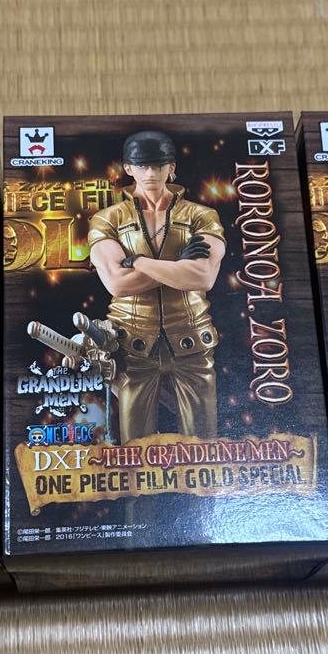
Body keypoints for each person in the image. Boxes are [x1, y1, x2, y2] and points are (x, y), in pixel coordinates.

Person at [87, 130, 226, 441]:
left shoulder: (201, 215)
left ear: (171, 167)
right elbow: (117, 283)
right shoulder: (107, 219)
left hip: (192, 339)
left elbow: (203, 277)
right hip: (131, 344)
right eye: (142, 166)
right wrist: (179, 265)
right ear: (128, 168)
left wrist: (138, 261)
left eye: (158, 165)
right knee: (135, 449)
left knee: (204, 446)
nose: (150, 173)